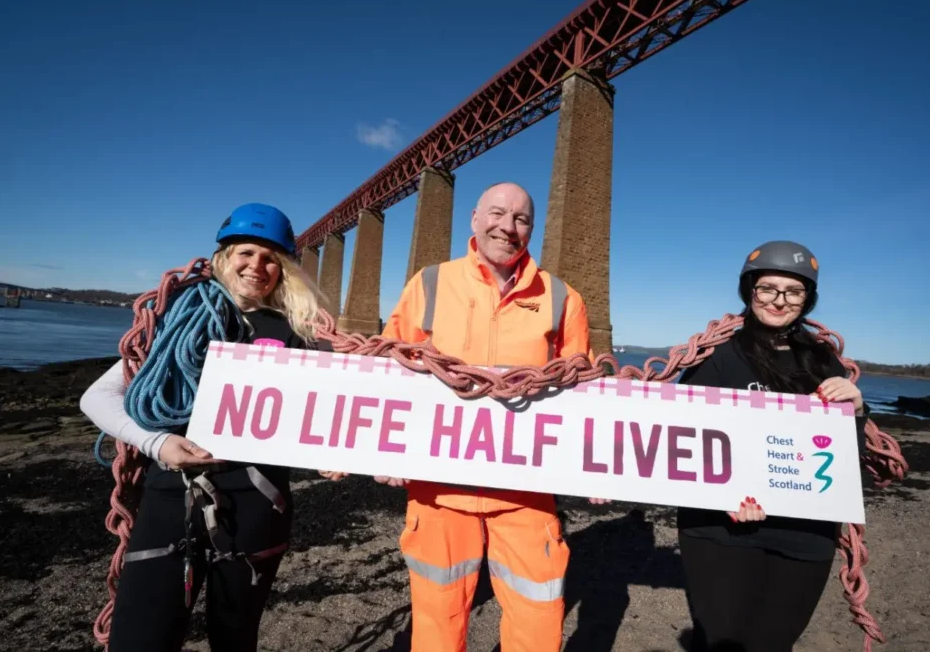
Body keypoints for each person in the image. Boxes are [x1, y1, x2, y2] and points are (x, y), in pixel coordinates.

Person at [80, 203, 336, 652]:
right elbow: (97, 398)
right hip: (171, 493)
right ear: (224, 255)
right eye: (246, 252)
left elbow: (318, 413)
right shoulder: (178, 317)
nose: (257, 265)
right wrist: (158, 443)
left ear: (284, 271)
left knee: (235, 639)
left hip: (258, 504)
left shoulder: (296, 333)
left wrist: (333, 455)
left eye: (270, 258)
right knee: (139, 637)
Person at [375, 182, 599, 652]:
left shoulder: (563, 298)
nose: (508, 227)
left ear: (532, 229)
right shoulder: (430, 283)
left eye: (521, 219)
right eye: (498, 213)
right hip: (439, 488)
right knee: (436, 622)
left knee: (538, 619)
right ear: (474, 218)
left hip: (527, 493)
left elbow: (585, 393)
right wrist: (384, 447)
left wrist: (596, 465)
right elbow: (388, 369)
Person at [675, 240, 870, 652]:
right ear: (750, 290)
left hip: (806, 533)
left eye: (793, 291)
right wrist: (719, 494)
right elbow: (682, 439)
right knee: (722, 644)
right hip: (721, 530)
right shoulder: (714, 357)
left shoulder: (824, 362)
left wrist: (855, 411)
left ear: (807, 299)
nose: (779, 301)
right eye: (768, 288)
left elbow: (844, 461)